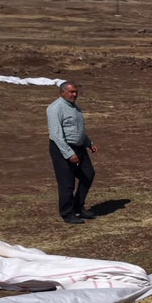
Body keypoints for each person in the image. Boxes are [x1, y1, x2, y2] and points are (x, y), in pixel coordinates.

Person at [46, 80, 98, 224]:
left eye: (76, 92)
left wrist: (88, 143)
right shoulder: (55, 108)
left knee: (88, 174)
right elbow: (56, 134)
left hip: (79, 147)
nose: (74, 94)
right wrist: (69, 153)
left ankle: (78, 207)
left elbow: (77, 130)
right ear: (62, 92)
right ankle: (67, 213)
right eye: (71, 92)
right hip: (62, 148)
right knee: (67, 183)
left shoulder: (75, 108)